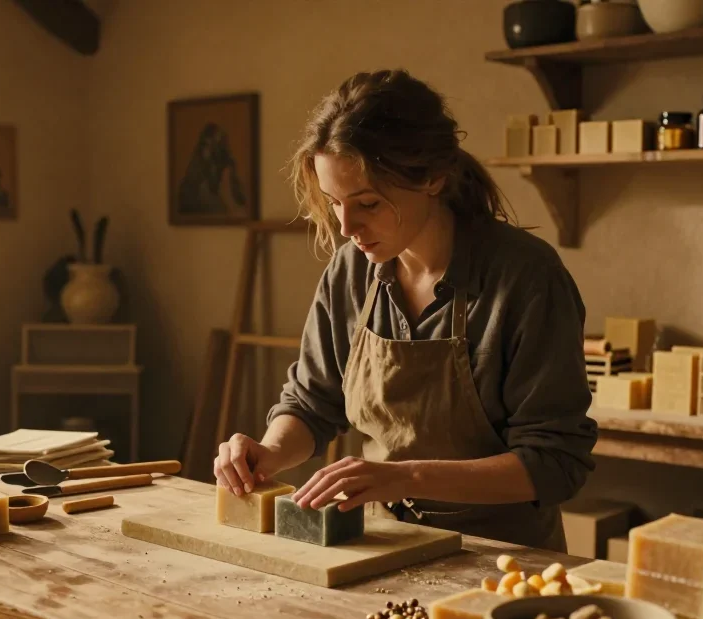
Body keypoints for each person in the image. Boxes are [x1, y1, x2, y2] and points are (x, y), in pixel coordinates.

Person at [212, 69, 597, 551]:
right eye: (335, 204)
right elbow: (313, 404)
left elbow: (554, 462)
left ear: (433, 178)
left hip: (502, 558)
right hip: (382, 543)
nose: (348, 227)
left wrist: (406, 476)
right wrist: (269, 451)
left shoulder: (526, 278)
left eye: (368, 203)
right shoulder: (350, 272)